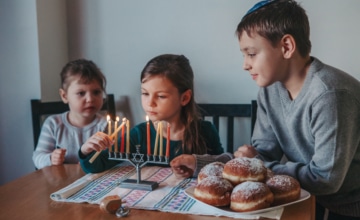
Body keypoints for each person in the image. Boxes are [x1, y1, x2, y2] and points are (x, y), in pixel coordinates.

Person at [171, 1, 360, 219]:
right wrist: (203, 163)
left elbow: (325, 179)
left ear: (286, 47)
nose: (245, 64)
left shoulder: (330, 95)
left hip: (345, 210)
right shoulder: (270, 91)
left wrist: (260, 164)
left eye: (251, 53)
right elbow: (260, 157)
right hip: (306, 199)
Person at [79, 54, 224, 174]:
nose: (150, 103)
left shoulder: (205, 131)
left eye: (161, 96)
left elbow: (222, 167)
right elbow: (95, 166)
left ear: (184, 98)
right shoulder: (139, 135)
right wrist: (86, 151)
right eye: (145, 93)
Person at [32, 59, 109, 169]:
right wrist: (50, 158)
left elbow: (116, 159)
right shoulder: (53, 124)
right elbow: (37, 157)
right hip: (60, 183)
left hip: (95, 182)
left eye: (96, 92)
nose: (90, 99)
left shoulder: (106, 126)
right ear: (64, 96)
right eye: (81, 93)